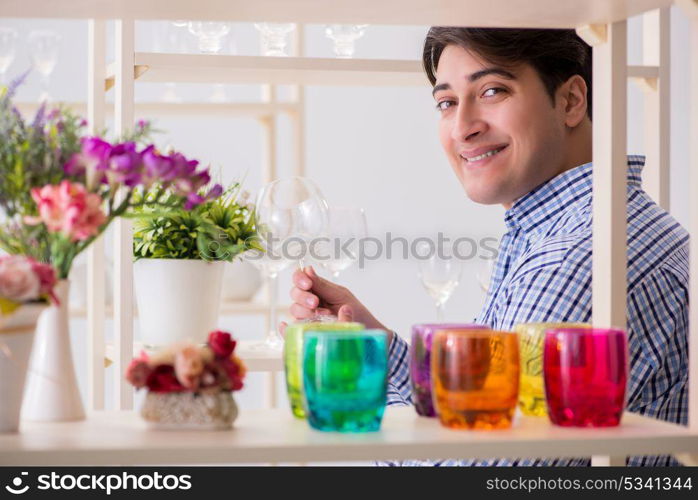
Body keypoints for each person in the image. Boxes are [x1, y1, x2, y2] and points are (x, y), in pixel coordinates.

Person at [284, 28, 689, 466]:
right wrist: (376, 351)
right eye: (447, 103)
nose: (463, 127)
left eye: (493, 91)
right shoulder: (579, 227)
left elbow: (473, 472)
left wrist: (357, 398)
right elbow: (481, 418)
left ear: (571, 101)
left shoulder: (575, 258)